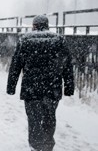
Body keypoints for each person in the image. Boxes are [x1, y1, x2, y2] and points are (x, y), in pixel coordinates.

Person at [7, 15, 75, 151]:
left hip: (31, 88)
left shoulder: (25, 40)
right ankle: (48, 144)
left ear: (34, 26)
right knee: (49, 117)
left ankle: (35, 146)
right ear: (47, 25)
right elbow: (67, 65)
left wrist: (11, 86)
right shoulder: (59, 40)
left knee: (34, 119)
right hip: (52, 88)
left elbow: (16, 65)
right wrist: (68, 87)